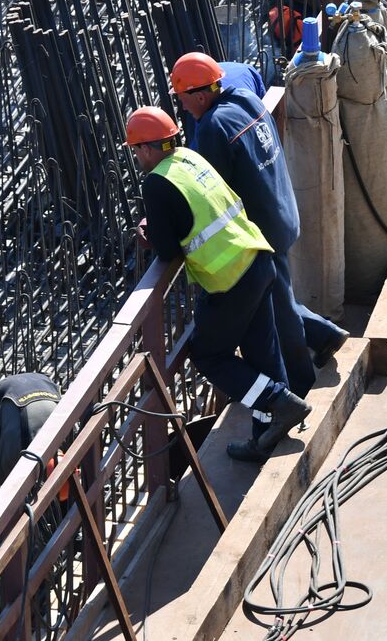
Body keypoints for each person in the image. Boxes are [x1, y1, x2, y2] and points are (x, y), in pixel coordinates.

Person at [128, 105, 311, 463]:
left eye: (136, 150)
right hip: (257, 256)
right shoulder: (190, 158)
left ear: (146, 148)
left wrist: (148, 234)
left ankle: (278, 401)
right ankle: (265, 436)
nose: (136, 157)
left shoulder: (156, 182)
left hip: (231, 278)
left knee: (208, 355)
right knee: (262, 351)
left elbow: (167, 249)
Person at [170, 53, 349, 384]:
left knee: (280, 313)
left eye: (182, 98)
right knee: (279, 294)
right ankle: (324, 334)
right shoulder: (245, 98)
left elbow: (207, 190)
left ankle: (300, 383)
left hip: (262, 232)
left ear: (200, 95)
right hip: (284, 211)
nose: (182, 107)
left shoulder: (212, 127)